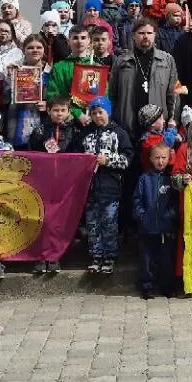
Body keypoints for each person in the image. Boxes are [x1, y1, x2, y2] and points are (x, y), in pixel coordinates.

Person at [69, 97, 133, 276]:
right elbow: (75, 155)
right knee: (92, 224)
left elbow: (128, 158)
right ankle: (96, 255)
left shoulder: (119, 133)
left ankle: (110, 256)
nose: (97, 116)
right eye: (94, 113)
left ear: (108, 112)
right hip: (89, 189)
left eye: (100, 112)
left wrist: (109, 160)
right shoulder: (85, 133)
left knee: (109, 223)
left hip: (110, 187)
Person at [109, 17, 179, 139]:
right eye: (141, 33)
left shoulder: (167, 60)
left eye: (149, 33)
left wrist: (172, 120)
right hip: (128, 125)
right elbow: (112, 94)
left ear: (154, 35)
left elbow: (174, 94)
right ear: (133, 36)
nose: (145, 36)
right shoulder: (121, 61)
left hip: (157, 126)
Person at [133, 142, 177, 299]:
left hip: (166, 228)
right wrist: (142, 216)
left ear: (169, 158)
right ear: (151, 159)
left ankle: (167, 287)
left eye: (164, 158)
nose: (160, 161)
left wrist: (170, 215)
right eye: (157, 158)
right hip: (147, 228)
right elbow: (137, 200)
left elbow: (175, 203)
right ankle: (147, 287)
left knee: (166, 260)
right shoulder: (144, 179)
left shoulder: (171, 179)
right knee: (147, 259)